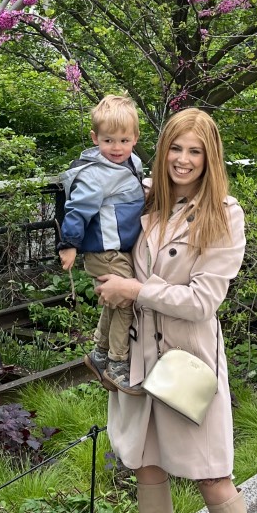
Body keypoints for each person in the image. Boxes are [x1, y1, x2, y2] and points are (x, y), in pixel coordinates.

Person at [96, 107, 257, 513]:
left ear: (210, 158)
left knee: (213, 479)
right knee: (147, 470)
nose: (182, 160)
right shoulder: (142, 197)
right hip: (139, 362)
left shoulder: (225, 215)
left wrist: (135, 288)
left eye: (194, 152)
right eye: (175, 148)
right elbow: (89, 190)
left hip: (188, 368)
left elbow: (204, 300)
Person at [58, 94, 146, 396]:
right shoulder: (97, 173)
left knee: (115, 300)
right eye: (109, 141)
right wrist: (69, 244)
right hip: (105, 251)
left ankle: (99, 352)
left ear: (135, 138)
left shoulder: (131, 162)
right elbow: (77, 209)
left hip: (117, 250)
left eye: (124, 140)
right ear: (95, 138)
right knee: (127, 302)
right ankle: (117, 363)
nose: (117, 148)